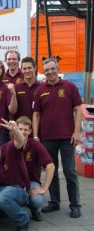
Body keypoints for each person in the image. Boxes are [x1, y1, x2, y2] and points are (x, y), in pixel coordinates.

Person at [32, 58, 83, 218]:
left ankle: (75, 205)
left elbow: (78, 110)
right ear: (43, 72)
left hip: (67, 137)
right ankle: (54, 202)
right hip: (47, 138)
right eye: (47, 70)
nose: (50, 72)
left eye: (52, 69)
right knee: (51, 171)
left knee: (69, 172)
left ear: (57, 68)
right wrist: (35, 135)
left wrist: (76, 132)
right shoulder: (40, 90)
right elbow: (36, 114)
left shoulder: (70, 87)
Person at [16, 116, 55, 221]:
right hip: (14, 183)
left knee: (37, 200)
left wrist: (44, 188)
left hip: (31, 181)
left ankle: (35, 211)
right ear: (15, 129)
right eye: (20, 129)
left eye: (25, 130)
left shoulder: (35, 145)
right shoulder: (10, 145)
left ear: (30, 131)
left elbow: (51, 166)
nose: (23, 132)